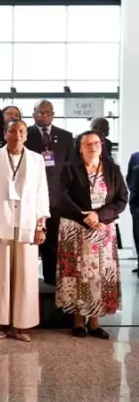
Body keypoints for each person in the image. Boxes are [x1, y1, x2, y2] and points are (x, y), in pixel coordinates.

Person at [0, 120, 49, 342]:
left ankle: (21, 325)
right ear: (5, 133)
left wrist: (41, 226)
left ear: (26, 135)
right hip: (1, 223)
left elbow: (42, 195)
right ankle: (0, 322)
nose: (16, 134)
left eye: (21, 131)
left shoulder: (37, 160)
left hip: (28, 223)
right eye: (12, 131)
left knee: (26, 275)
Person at [57, 131, 128, 339]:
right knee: (78, 275)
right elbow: (62, 197)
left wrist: (99, 215)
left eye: (96, 143)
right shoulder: (70, 169)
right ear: (79, 148)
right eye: (87, 143)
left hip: (103, 232)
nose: (92, 147)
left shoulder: (112, 169)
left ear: (102, 145)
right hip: (75, 230)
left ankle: (95, 322)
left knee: (98, 277)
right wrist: (85, 217)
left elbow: (122, 199)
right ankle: (78, 321)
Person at [24, 99, 73, 285]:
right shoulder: (25, 134)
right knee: (30, 239)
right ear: (33, 113)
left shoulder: (66, 137)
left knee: (53, 241)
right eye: (40, 111)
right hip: (30, 197)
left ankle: (52, 279)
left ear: (53, 114)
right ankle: (28, 280)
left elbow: (70, 169)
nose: (44, 115)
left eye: (47, 112)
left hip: (56, 198)